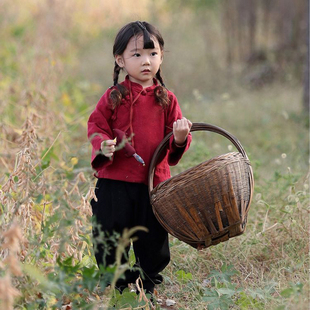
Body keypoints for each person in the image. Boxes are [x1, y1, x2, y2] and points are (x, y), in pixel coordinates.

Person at [87, 21, 192, 296]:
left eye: (153, 53)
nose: (146, 61)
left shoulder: (166, 99)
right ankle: (118, 286)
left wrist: (180, 138)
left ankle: (148, 284)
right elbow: (96, 126)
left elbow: (173, 139)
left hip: (152, 183)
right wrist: (104, 144)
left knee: (152, 237)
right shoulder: (113, 97)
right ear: (120, 59)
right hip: (113, 183)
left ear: (161, 56)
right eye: (137, 54)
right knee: (110, 234)